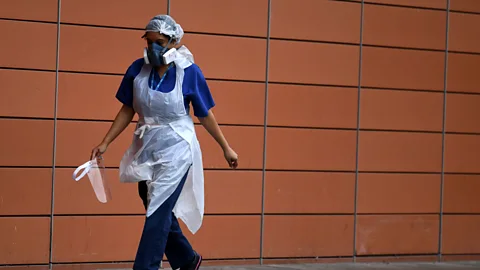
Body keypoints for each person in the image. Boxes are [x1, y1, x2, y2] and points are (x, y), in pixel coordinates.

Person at [91, 14, 238, 270]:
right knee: (149, 200)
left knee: (157, 208)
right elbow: (128, 109)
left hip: (177, 147)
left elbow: (204, 114)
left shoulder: (189, 72)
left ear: (173, 42)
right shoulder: (137, 69)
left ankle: (146, 267)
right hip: (147, 144)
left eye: (158, 41)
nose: (152, 48)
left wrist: (226, 148)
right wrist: (106, 142)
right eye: (148, 42)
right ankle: (187, 259)